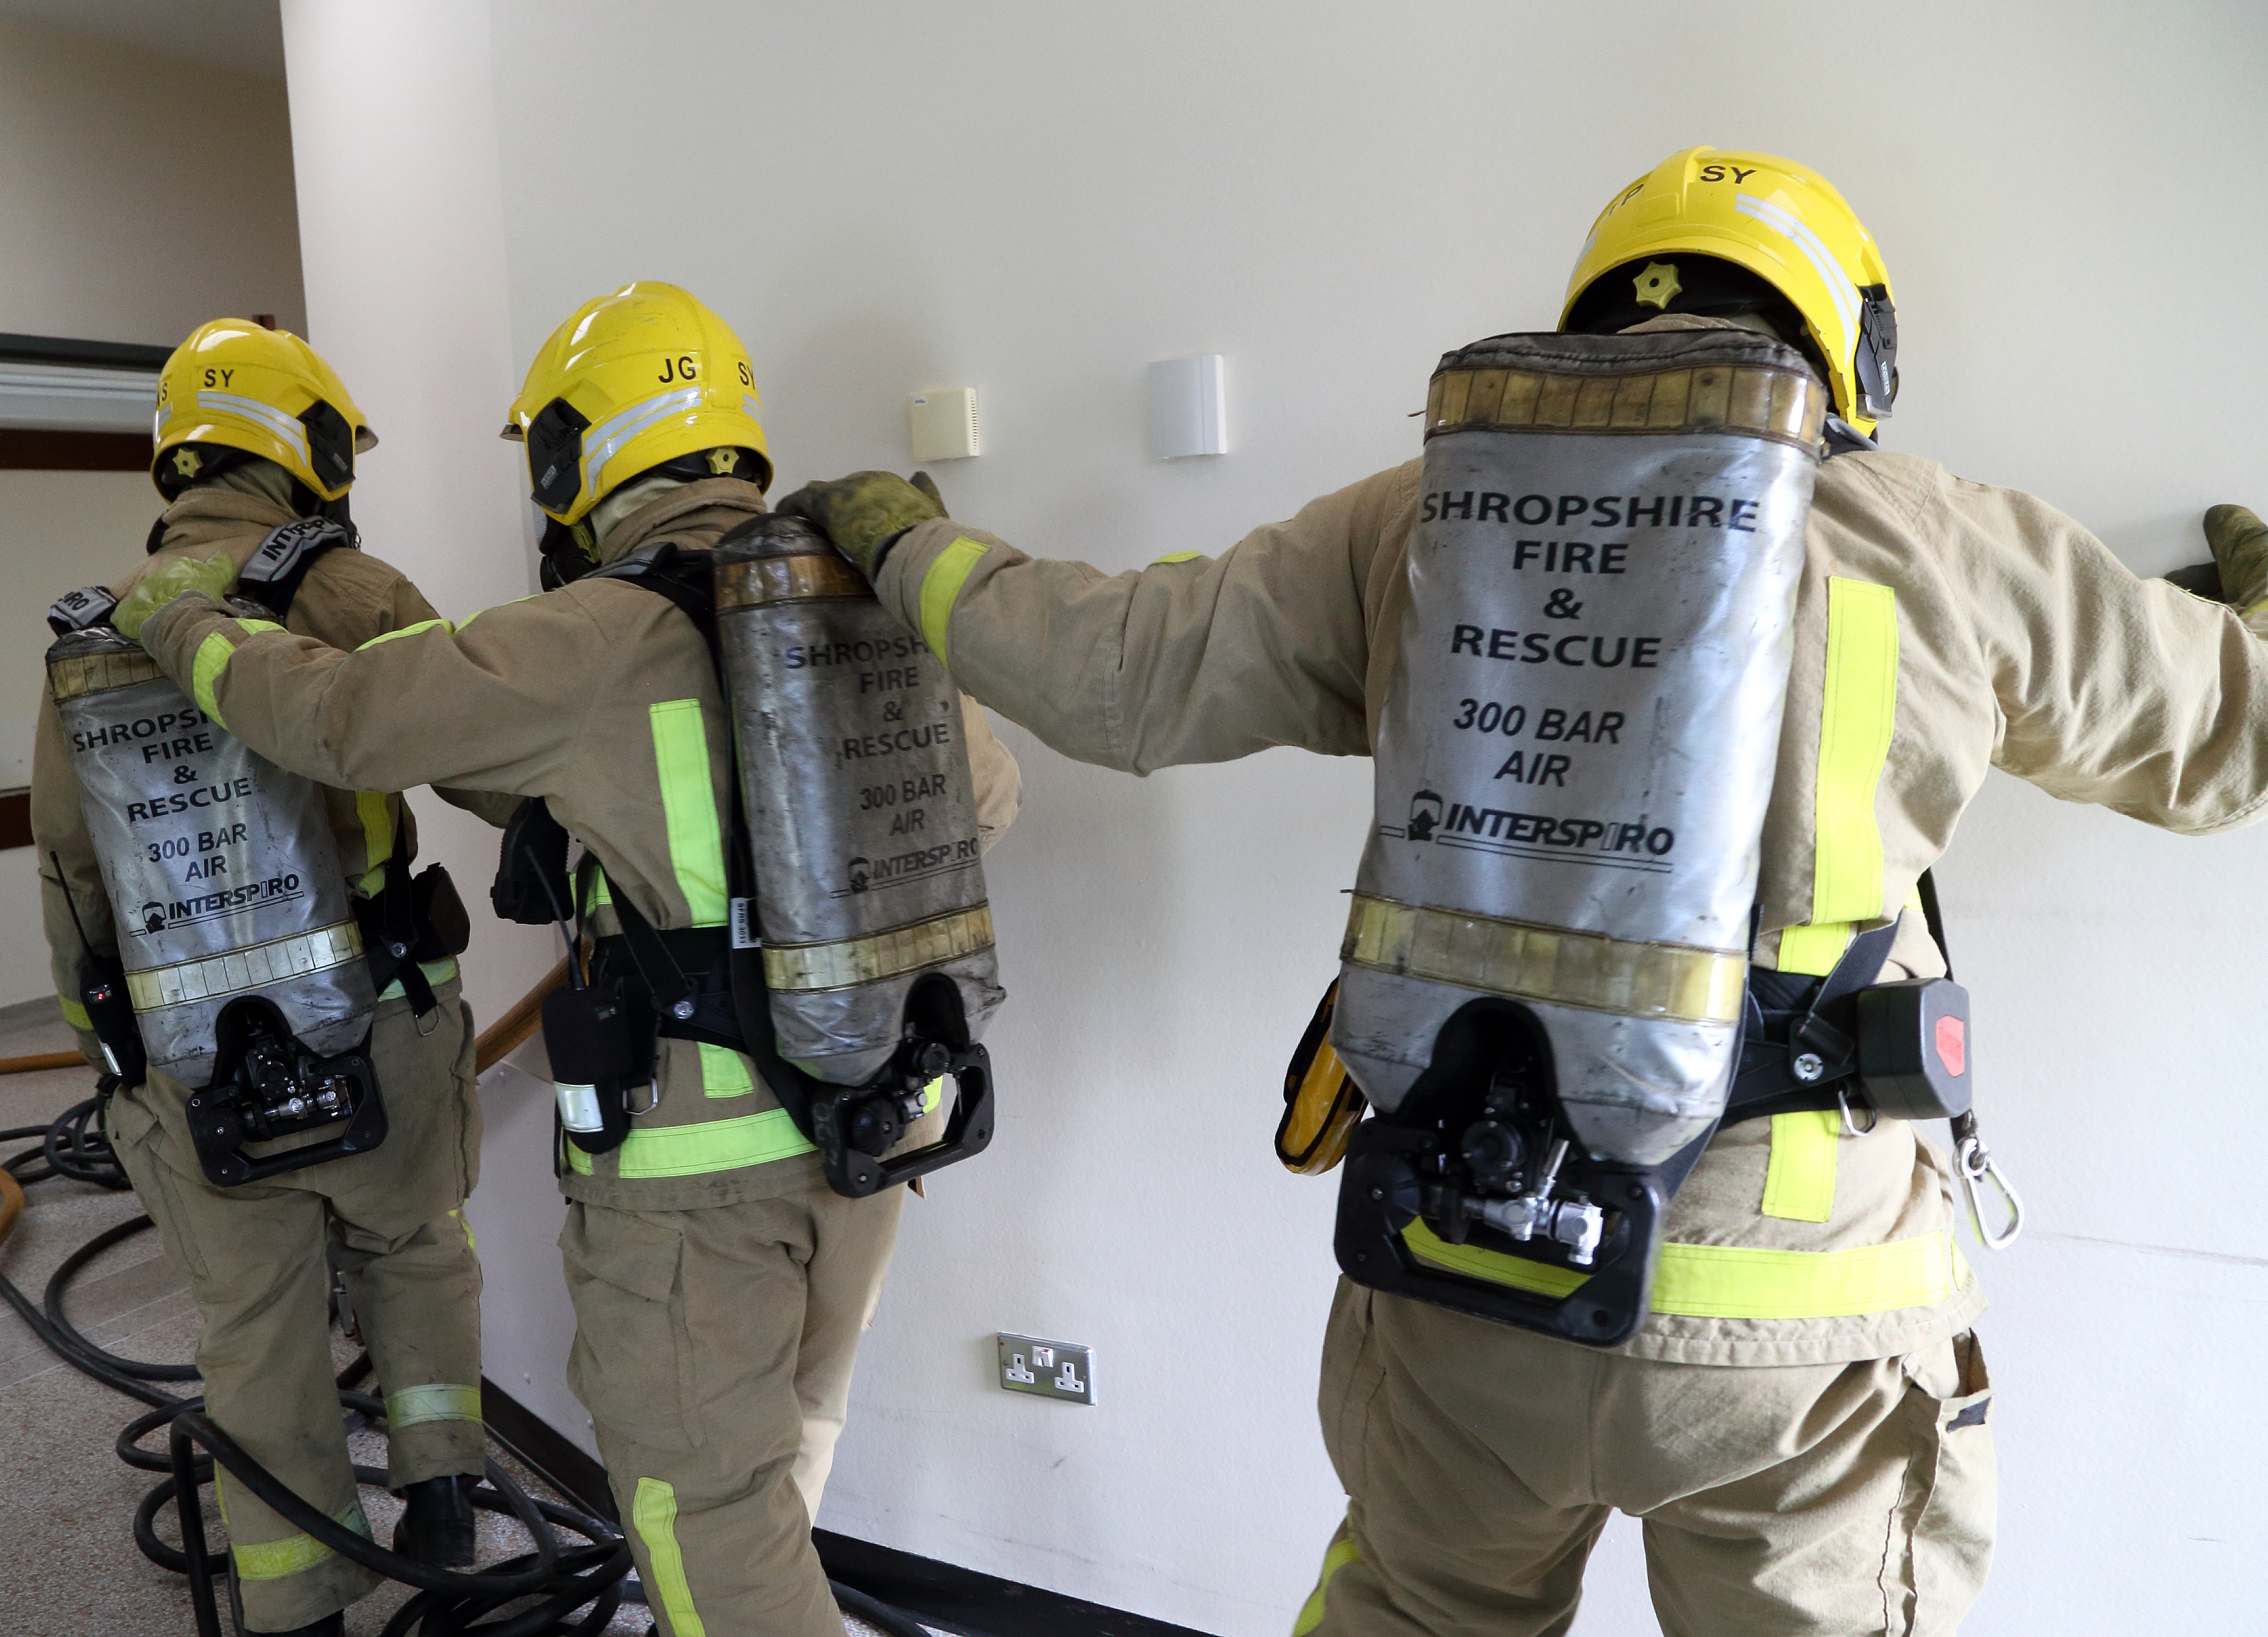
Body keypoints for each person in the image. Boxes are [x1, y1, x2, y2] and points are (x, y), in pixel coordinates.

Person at [773, 147, 2268, 1636]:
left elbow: (1109, 676)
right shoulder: (1937, 537)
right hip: (1790, 1332)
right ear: (1846, 344)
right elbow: (2227, 744)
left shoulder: (1419, 514)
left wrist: (903, 541)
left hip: (1462, 1261)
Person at [110, 283, 1021, 1637]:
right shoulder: (861, 599)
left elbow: (343, 719)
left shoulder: (589, 635)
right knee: (786, 1443)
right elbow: (987, 797)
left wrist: (181, 619)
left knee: (695, 1507)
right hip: (873, 1126)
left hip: (691, 1181)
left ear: (574, 456)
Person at [32, 319, 492, 1637]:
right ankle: (444, 1511)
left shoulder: (91, 628)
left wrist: (115, 1068)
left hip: (189, 1066)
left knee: (254, 1325)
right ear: (312, 445)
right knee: (413, 1255)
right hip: (380, 1025)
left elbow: (68, 867)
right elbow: (486, 747)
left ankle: (297, 1611)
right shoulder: (349, 591)